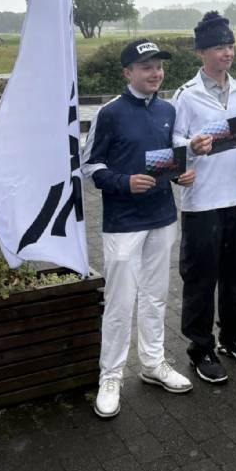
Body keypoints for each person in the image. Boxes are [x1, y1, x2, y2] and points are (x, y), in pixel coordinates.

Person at [82, 38, 196, 418]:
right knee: (120, 301)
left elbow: (167, 160)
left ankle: (152, 363)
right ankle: (111, 375)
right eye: (146, 67)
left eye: (159, 66)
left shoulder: (167, 109)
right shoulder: (110, 113)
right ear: (127, 72)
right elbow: (90, 166)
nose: (155, 73)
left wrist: (179, 175)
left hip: (162, 217)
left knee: (155, 296)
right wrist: (124, 182)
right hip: (124, 223)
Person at [173, 11, 236, 383]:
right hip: (201, 203)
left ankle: (233, 337)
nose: (227, 53)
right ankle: (201, 349)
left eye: (230, 46)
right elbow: (172, 140)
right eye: (218, 47)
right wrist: (190, 146)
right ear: (201, 52)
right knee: (200, 280)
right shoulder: (185, 95)